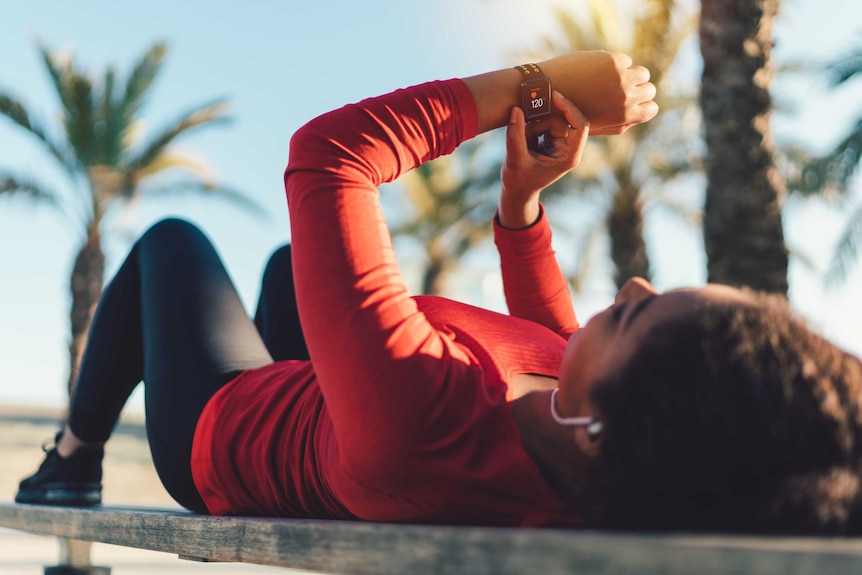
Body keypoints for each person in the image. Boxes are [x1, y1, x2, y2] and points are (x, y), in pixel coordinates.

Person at [15, 50, 862, 534]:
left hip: (222, 431)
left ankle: (72, 461)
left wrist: (531, 84)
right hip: (344, 416)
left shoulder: (425, 420)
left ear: (604, 427)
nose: (634, 280)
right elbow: (549, 338)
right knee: (283, 270)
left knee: (173, 244)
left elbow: (328, 156)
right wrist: (521, 199)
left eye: (636, 311)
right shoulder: (599, 440)